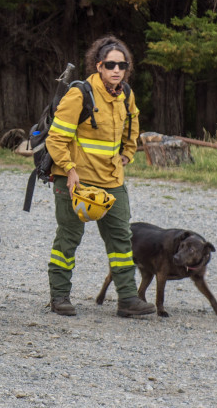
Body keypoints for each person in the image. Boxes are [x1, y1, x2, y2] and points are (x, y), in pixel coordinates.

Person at [45, 35, 155, 318]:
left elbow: (132, 131)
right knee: (69, 237)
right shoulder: (79, 94)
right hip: (76, 180)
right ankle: (59, 296)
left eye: (122, 65)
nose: (116, 70)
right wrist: (69, 170)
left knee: (121, 237)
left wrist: (127, 156)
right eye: (110, 65)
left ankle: (128, 299)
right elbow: (56, 138)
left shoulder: (126, 95)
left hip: (111, 180)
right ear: (98, 66)